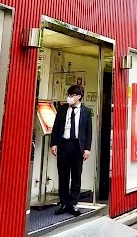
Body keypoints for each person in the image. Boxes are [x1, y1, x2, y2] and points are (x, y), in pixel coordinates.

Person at [50, 85, 93, 217]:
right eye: (68, 95)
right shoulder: (62, 109)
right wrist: (54, 144)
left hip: (77, 146)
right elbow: (56, 128)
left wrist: (87, 149)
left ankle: (73, 203)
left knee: (76, 176)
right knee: (63, 176)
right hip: (64, 145)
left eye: (72, 95)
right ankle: (63, 203)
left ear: (78, 97)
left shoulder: (86, 111)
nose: (69, 98)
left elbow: (88, 131)